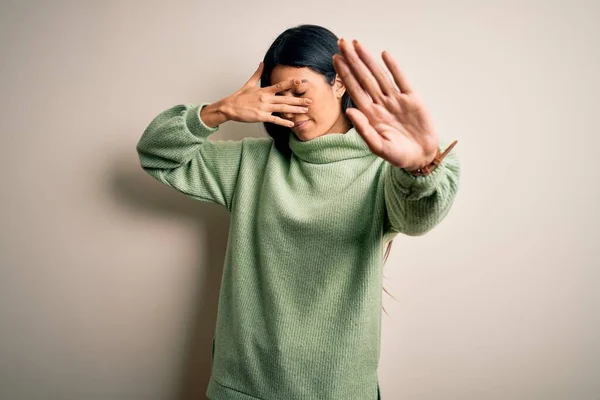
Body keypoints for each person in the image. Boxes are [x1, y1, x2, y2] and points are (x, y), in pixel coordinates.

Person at [136, 24, 460, 400]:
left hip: (338, 390)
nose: (290, 105)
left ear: (338, 83)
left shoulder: (383, 167)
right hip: (240, 388)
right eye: (277, 94)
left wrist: (419, 168)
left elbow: (418, 219)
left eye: (301, 91)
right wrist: (219, 111)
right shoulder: (249, 164)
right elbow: (157, 154)